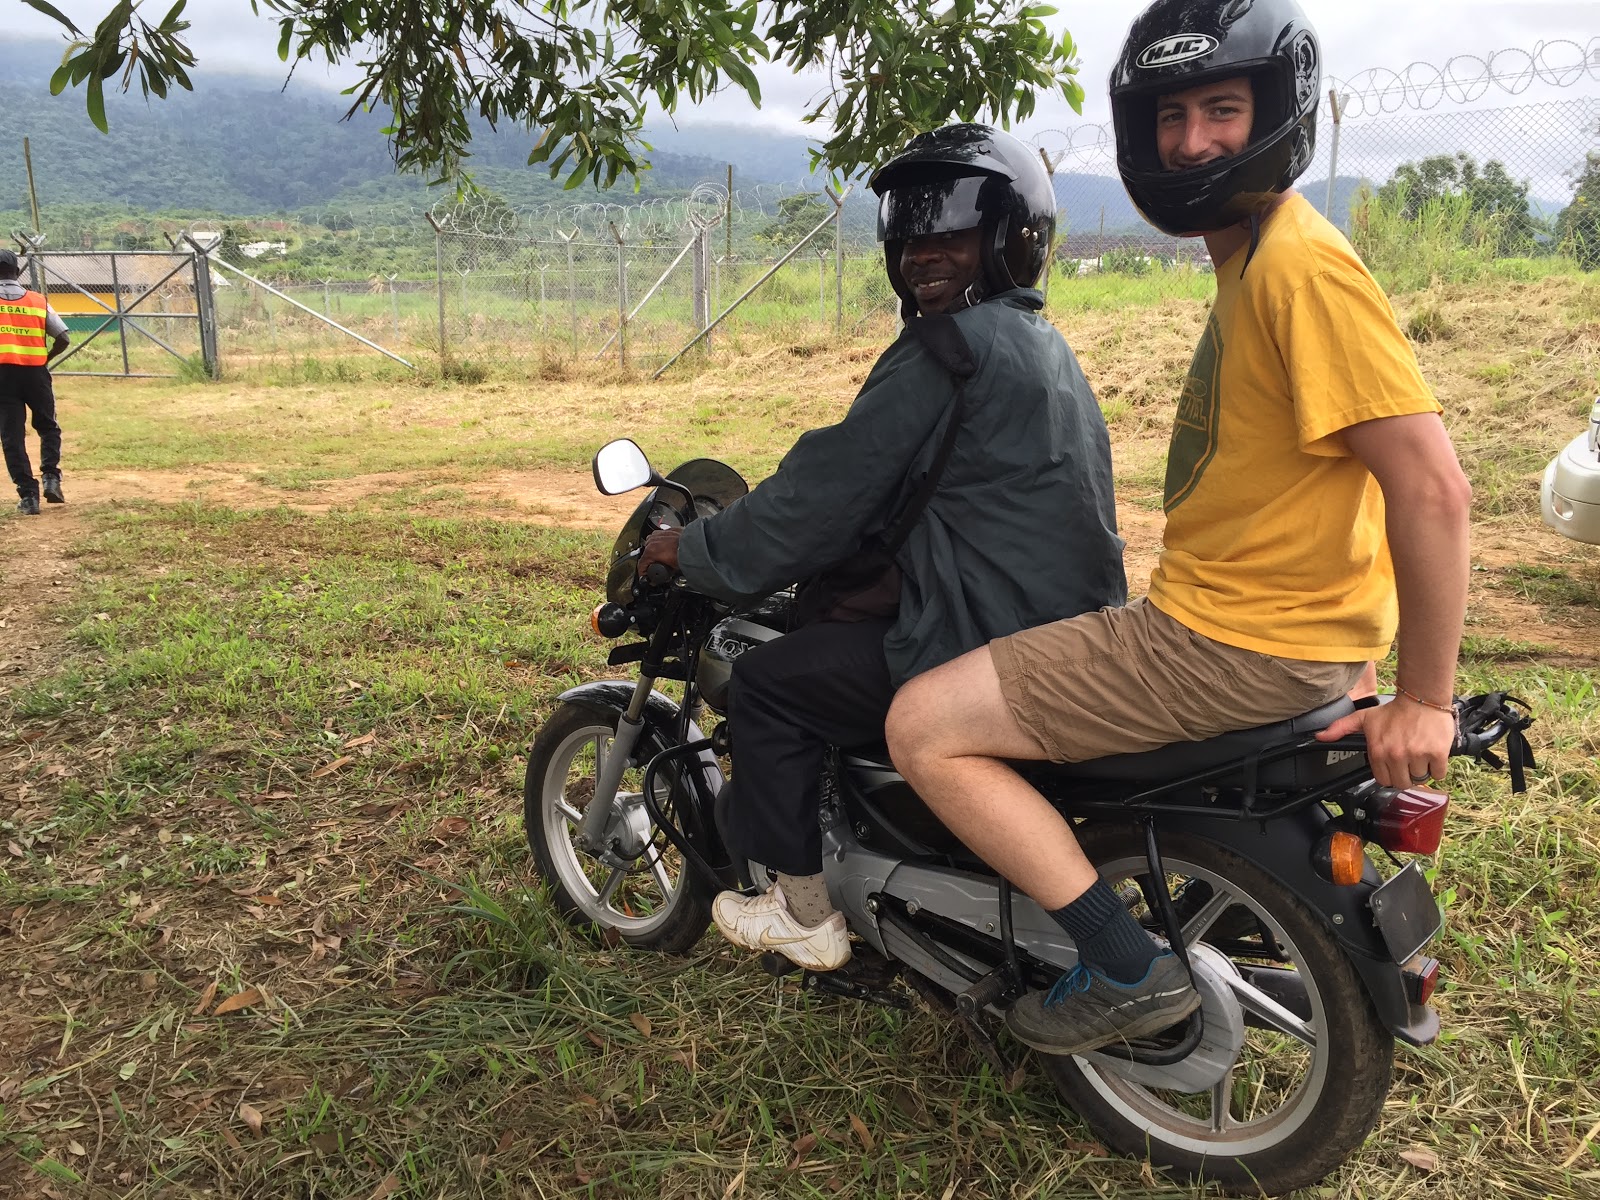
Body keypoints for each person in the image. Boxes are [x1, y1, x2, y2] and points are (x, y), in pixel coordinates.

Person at [885, 0, 1473, 1057]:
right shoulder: (1251, 255)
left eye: (1221, 109)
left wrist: (1427, 699)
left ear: (1275, 113)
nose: (1193, 140)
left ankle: (1120, 965)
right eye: (1171, 117)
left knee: (922, 726)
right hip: (1284, 636)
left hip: (1224, 642)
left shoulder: (1300, 267)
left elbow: (1430, 487)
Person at [636, 125, 1127, 972]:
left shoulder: (949, 351)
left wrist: (695, 551)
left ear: (1009, 240)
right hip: (1058, 625)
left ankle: (803, 911)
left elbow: (821, 494)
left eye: (954, 236)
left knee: (769, 685)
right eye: (913, 238)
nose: (926, 255)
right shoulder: (1045, 347)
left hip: (977, 632)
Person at [0, 249, 70, 515]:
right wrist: (44, 357)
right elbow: (63, 337)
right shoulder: (38, 301)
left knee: (11, 436)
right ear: (17, 272)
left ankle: (28, 496)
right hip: (35, 373)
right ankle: (51, 478)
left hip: (2, 377)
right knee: (48, 425)